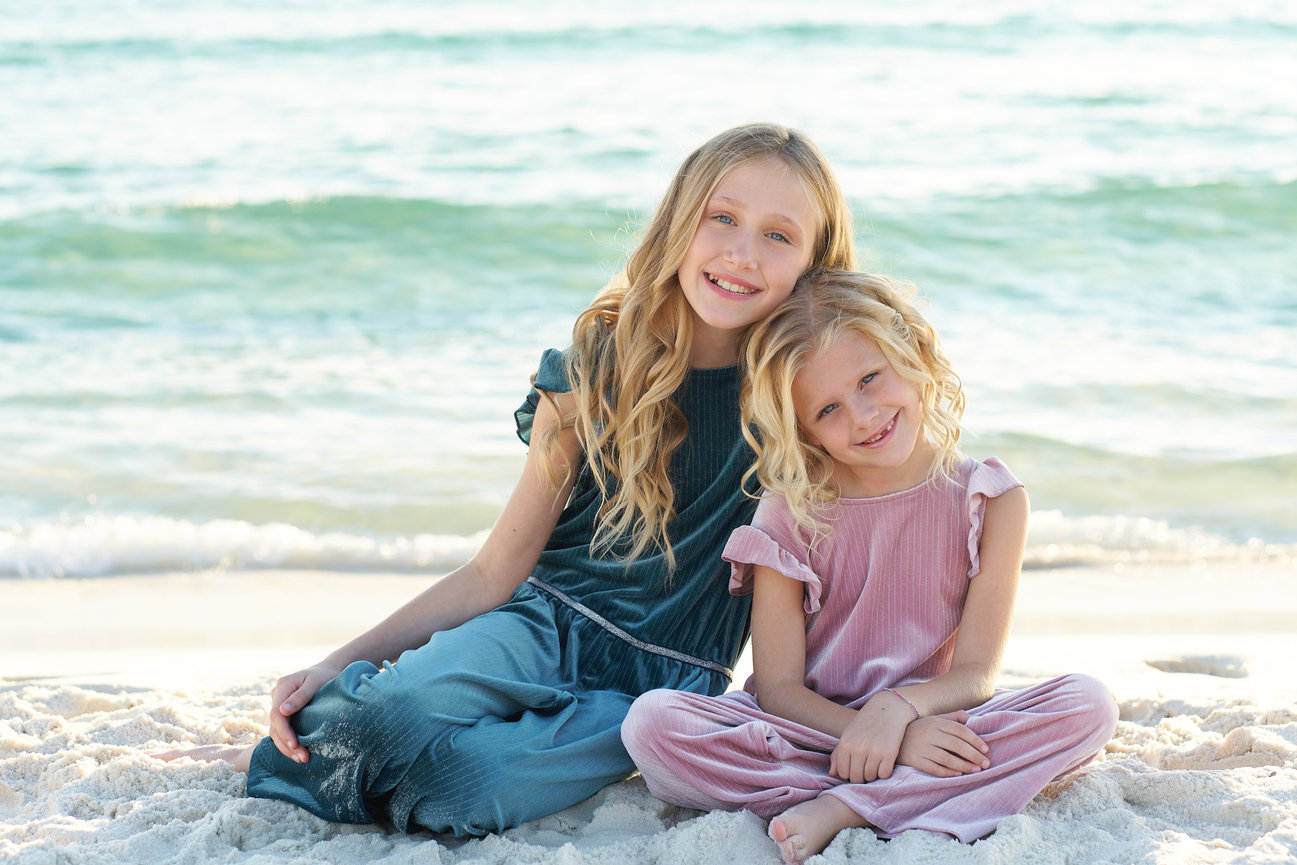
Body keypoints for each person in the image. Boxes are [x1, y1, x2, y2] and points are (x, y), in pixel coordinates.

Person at [158, 122, 857, 837]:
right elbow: (494, 568)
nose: (741, 252)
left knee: (464, 788)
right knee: (390, 719)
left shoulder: (804, 397)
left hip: (661, 687)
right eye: (723, 217)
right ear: (680, 221)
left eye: (778, 235)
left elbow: (875, 531)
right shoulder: (596, 366)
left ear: (813, 264)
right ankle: (335, 728)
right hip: (540, 620)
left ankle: (362, 747)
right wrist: (339, 660)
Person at [620, 269, 1119, 864]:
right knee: (651, 724)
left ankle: (850, 808)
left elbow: (976, 676)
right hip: (815, 732)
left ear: (908, 350)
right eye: (828, 409)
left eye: (869, 379)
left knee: (1089, 706)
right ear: (802, 431)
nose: (862, 416)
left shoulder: (990, 499)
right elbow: (778, 689)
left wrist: (898, 715)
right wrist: (891, 743)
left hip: (933, 717)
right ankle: (914, 795)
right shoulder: (789, 513)